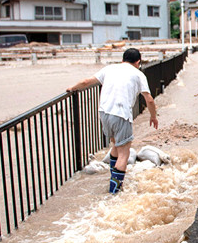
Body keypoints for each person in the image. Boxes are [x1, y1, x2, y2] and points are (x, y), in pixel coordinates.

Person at [67, 48, 158, 194]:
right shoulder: (138, 74)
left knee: (115, 144)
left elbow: (86, 82)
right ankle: (114, 191)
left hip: (104, 113)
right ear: (138, 62)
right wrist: (153, 116)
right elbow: (150, 100)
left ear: (123, 59)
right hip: (121, 114)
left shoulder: (109, 68)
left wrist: (72, 88)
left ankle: (112, 181)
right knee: (124, 153)